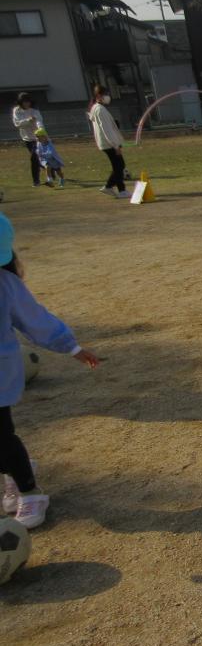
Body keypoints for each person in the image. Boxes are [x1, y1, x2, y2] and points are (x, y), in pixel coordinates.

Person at [0, 214, 100, 528]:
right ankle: (14, 471)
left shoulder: (5, 285)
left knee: (1, 435)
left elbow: (35, 320)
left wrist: (70, 347)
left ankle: (30, 491)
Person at [87, 85, 130, 199]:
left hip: (106, 143)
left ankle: (117, 189)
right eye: (105, 94)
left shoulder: (98, 108)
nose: (108, 97)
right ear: (98, 96)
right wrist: (116, 146)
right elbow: (106, 130)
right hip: (108, 143)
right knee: (119, 165)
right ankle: (114, 188)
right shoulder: (100, 109)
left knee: (119, 165)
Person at [11, 93, 43, 187]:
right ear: (21, 102)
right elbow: (18, 124)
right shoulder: (17, 110)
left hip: (39, 137)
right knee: (36, 157)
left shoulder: (34, 110)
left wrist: (41, 132)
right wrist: (28, 120)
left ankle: (40, 179)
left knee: (37, 157)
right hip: (27, 138)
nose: (27, 104)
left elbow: (39, 121)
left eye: (28, 102)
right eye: (24, 102)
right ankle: (39, 179)